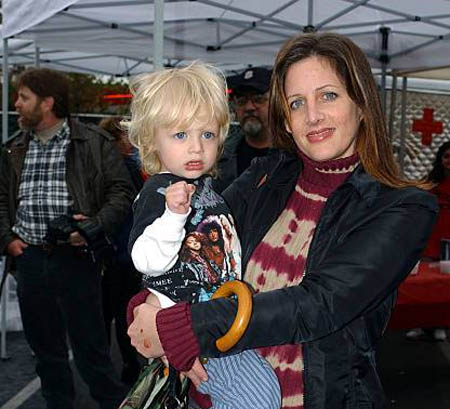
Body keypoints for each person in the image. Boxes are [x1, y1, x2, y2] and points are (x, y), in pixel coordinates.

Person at [127, 33, 438, 409]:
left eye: (328, 95)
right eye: (296, 103)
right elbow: (197, 246)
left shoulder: (403, 208)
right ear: (286, 121)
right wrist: (151, 305)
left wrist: (184, 327)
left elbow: (318, 303)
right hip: (215, 390)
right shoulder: (265, 175)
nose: (313, 115)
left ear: (362, 104)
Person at [125, 62, 280, 409]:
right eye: (180, 135)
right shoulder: (161, 191)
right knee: (256, 397)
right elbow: (144, 259)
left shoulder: (204, 188)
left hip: (212, 318)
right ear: (152, 140)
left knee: (257, 393)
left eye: (207, 135)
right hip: (192, 321)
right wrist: (172, 218)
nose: (196, 147)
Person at [0, 68, 135, 409]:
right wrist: (8, 239)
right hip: (30, 260)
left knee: (92, 352)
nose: (16, 104)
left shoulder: (93, 142)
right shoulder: (14, 147)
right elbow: (1, 198)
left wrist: (91, 228)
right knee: (46, 354)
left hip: (76, 260)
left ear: (47, 102)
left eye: (24, 97)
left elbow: (121, 193)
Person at [98, 116, 144, 384]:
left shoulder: (110, 168)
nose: (132, 141)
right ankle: (129, 365)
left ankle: (120, 365)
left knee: (109, 313)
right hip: (120, 252)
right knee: (119, 312)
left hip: (115, 252)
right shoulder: (125, 167)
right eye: (126, 135)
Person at [406, 141, 450, 342]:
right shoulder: (431, 181)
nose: (449, 160)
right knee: (424, 285)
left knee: (445, 284)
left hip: (448, 239)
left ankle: (442, 323)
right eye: (446, 156)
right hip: (432, 235)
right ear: (440, 159)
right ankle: (421, 324)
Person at [215, 67, 272, 192]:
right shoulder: (221, 156)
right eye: (241, 101)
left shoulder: (295, 155)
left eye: (258, 99)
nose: (249, 107)